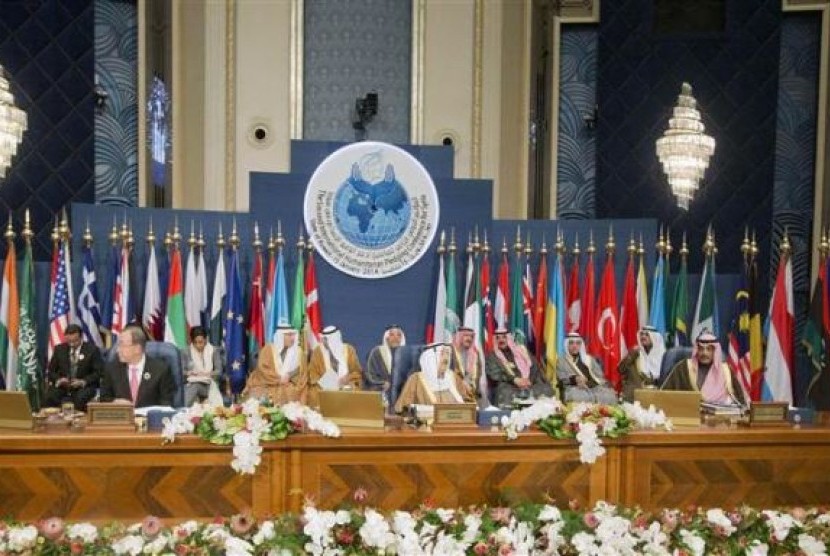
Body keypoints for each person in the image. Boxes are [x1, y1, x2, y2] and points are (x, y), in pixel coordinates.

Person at [100, 325, 177, 407]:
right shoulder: (112, 368)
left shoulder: (161, 369)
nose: (118, 350)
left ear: (137, 349)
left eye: (122, 345)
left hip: (149, 419)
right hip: (122, 418)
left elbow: (166, 403)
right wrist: (114, 402)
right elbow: (104, 398)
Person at [661, 330, 746, 405]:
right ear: (696, 350)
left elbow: (740, 401)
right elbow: (664, 395)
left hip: (720, 419)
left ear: (715, 351)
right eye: (701, 349)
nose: (704, 353)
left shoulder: (726, 371)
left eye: (709, 349)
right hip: (690, 416)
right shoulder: (683, 368)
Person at [394, 343, 473, 413]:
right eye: (442, 354)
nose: (446, 358)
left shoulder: (454, 378)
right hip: (427, 425)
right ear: (430, 358)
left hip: (457, 425)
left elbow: (469, 404)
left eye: (448, 354)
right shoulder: (416, 379)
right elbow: (402, 409)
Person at [485, 328, 554, 407]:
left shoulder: (522, 351)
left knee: (546, 389)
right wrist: (515, 380)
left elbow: (535, 368)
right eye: (498, 338)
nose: (501, 340)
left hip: (529, 385)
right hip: (509, 386)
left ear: (509, 338)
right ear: (495, 340)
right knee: (505, 391)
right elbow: (495, 375)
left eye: (504, 337)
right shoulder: (492, 357)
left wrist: (529, 381)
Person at [44, 324, 104, 411]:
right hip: (63, 386)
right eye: (69, 341)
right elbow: (51, 371)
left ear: (81, 337)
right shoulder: (59, 349)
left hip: (84, 387)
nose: (71, 344)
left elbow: (99, 372)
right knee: (50, 396)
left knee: (80, 398)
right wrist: (59, 379)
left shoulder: (92, 350)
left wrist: (83, 381)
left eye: (75, 341)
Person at [243, 325, 308, 404]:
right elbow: (263, 370)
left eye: (293, 335)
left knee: (292, 392)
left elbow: (301, 372)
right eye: (289, 335)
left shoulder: (298, 352)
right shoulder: (268, 349)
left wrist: (289, 376)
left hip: (289, 383)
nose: (292, 338)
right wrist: (278, 379)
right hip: (268, 382)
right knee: (260, 393)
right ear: (280, 336)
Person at [307, 325, 363, 408]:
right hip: (324, 386)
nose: (322, 341)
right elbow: (312, 373)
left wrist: (347, 378)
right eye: (323, 339)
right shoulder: (317, 352)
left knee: (354, 390)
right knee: (314, 393)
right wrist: (326, 382)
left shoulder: (349, 350)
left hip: (346, 384)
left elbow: (357, 371)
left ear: (333, 340)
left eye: (325, 339)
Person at [557, 333, 618, 404]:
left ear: (581, 345)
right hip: (575, 388)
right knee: (577, 396)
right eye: (571, 343)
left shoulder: (589, 359)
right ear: (567, 345)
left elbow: (599, 377)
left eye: (578, 343)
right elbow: (561, 380)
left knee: (610, 395)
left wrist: (589, 383)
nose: (575, 346)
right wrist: (574, 379)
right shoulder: (562, 361)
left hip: (593, 387)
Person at [618, 326, 667, 402]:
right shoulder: (635, 355)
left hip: (654, 399)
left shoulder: (664, 357)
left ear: (655, 338)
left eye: (647, 334)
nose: (643, 337)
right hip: (632, 398)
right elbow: (620, 369)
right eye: (642, 334)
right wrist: (632, 354)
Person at [364, 325, 405, 406]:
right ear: (386, 338)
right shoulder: (377, 352)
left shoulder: (406, 355)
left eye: (398, 335)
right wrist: (382, 383)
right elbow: (368, 373)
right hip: (381, 389)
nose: (395, 338)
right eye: (392, 335)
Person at [182, 326, 224, 406]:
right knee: (194, 385)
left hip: (209, 384)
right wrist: (190, 373)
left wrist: (207, 374)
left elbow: (219, 371)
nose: (198, 345)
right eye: (195, 342)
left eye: (201, 342)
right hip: (191, 383)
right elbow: (181, 371)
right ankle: (184, 409)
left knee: (195, 386)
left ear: (206, 339)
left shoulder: (213, 350)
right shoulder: (186, 352)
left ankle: (183, 409)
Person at [451, 327, 487, 407]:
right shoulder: (450, 351)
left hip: (472, 394)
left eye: (471, 336)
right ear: (459, 336)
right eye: (466, 336)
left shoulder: (475, 354)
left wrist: (473, 387)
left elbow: (478, 375)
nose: (469, 339)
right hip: (454, 394)